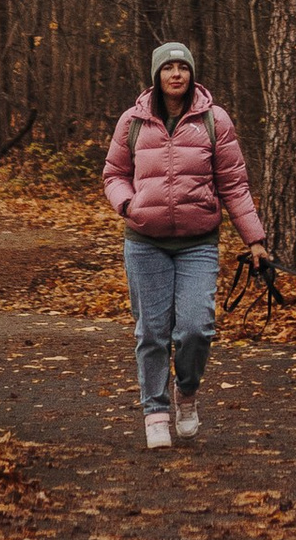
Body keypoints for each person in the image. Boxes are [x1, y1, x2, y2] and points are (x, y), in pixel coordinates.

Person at [102, 40, 267, 449]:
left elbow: (234, 184)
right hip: (145, 241)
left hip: (198, 243)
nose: (176, 74)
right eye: (168, 67)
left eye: (183, 67)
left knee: (196, 328)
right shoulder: (133, 121)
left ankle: (186, 395)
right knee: (153, 331)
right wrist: (127, 204)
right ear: (156, 76)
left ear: (192, 74)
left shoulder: (214, 120)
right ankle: (155, 412)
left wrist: (256, 240)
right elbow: (113, 174)